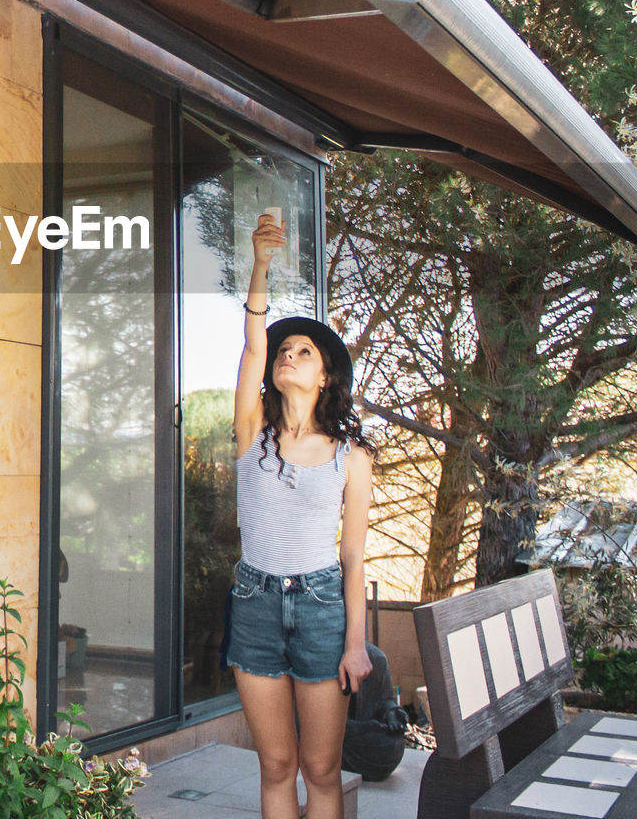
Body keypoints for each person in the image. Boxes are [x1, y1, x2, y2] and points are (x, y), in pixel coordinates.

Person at [225, 211, 375, 819]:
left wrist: (356, 643)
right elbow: (253, 342)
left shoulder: (351, 458)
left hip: (320, 612)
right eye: (285, 351)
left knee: (321, 769)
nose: (288, 355)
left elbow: (355, 556)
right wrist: (260, 265)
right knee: (277, 766)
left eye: (304, 351)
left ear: (325, 376)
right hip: (255, 605)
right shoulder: (252, 435)